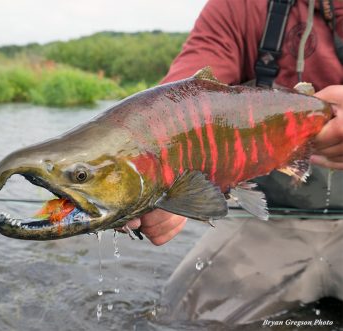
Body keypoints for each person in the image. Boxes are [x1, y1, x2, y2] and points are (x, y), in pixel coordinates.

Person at [128, 0, 343, 323]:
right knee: (178, 318)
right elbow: (183, 93)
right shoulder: (238, 5)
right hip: (273, 219)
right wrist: (156, 162)